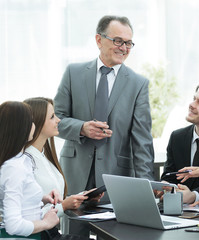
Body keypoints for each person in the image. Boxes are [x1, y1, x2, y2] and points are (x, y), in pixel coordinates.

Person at [54, 15, 154, 199]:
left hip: (115, 179)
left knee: (112, 228)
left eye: (129, 43)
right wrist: (81, 128)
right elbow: (55, 121)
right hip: (73, 175)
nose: (123, 48)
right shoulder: (73, 73)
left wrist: (146, 189)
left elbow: (143, 142)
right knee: (72, 228)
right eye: (118, 41)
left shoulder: (138, 84)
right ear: (99, 40)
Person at [24, 98, 102, 224]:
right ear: (37, 122)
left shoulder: (45, 158)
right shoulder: (24, 162)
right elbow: (26, 218)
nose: (58, 120)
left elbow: (54, 200)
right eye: (52, 116)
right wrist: (64, 206)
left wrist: (82, 196)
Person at [0, 101, 59, 238]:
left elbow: (18, 201)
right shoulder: (14, 167)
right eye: (31, 121)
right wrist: (46, 223)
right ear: (21, 127)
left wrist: (42, 199)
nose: (34, 125)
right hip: (33, 236)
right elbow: (13, 225)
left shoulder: (21, 160)